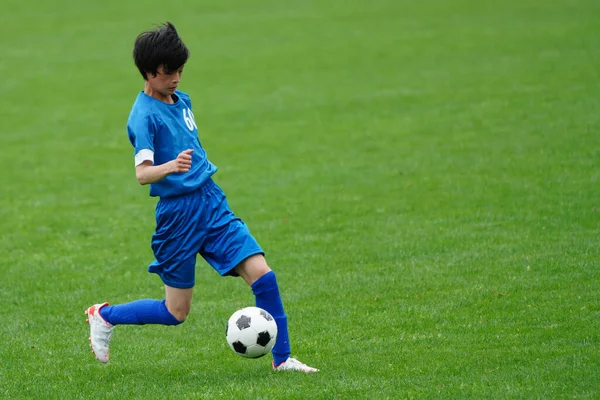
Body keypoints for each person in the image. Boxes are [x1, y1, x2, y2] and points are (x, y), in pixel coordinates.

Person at [85, 22, 318, 373]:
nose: (176, 78)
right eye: (168, 73)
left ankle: (282, 358)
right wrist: (172, 167)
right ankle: (104, 316)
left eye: (180, 70)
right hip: (178, 216)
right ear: (149, 73)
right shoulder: (143, 116)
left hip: (210, 202)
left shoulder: (182, 100)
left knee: (263, 276)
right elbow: (141, 174)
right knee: (175, 312)